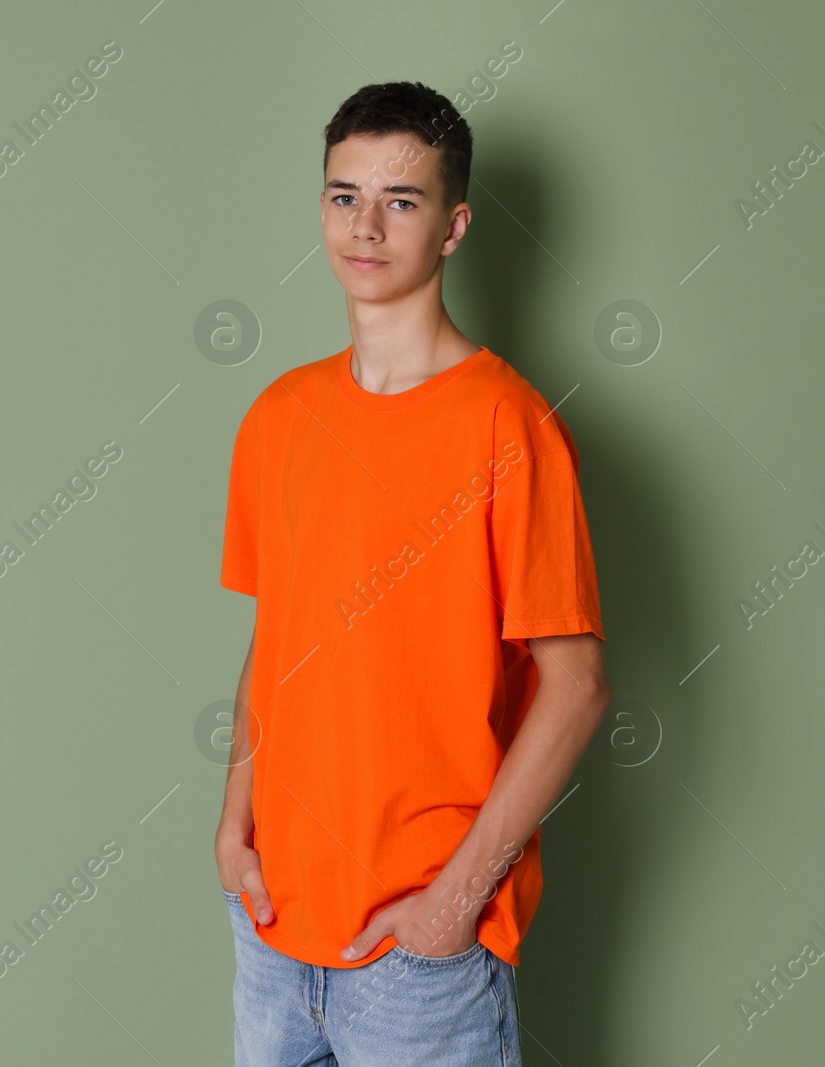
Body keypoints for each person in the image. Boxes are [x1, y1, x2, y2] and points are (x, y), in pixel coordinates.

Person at [214, 80, 611, 1066]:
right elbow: (277, 637)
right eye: (344, 194)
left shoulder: (507, 427)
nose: (365, 224)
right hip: (270, 936)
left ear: (453, 225)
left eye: (401, 199)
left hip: (417, 959)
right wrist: (234, 831)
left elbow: (577, 687)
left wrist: (452, 904)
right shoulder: (277, 416)